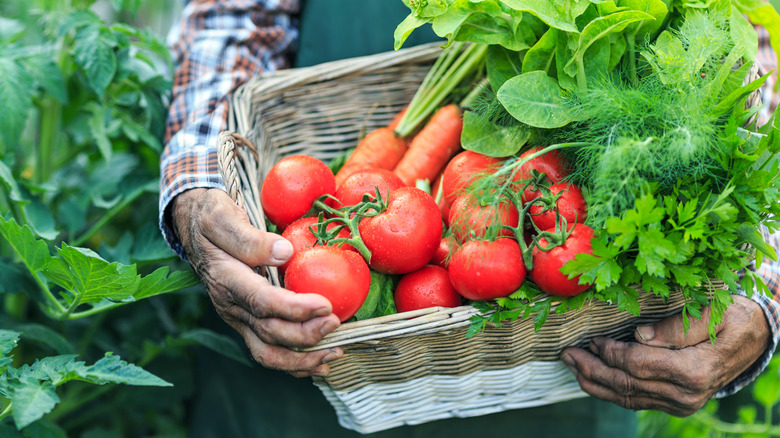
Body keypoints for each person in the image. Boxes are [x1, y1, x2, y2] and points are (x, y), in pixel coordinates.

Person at [160, 1, 780, 436]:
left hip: (571, 374)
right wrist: (198, 188)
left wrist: (763, 292)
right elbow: (229, 25)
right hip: (289, 389)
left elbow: (734, 62)